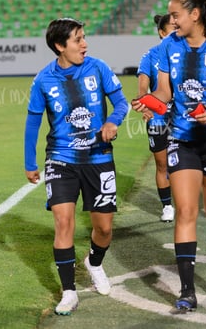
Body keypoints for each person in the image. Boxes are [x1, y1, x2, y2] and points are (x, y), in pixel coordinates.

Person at [132, 0, 206, 312]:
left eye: (176, 14)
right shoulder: (168, 46)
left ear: (194, 14)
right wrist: (149, 103)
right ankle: (186, 291)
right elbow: (165, 93)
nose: (172, 20)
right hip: (181, 139)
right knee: (185, 212)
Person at [24, 18, 128, 315]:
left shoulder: (98, 67)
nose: (85, 44)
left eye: (84, 38)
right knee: (63, 222)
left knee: (104, 228)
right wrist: (30, 162)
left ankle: (93, 263)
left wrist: (112, 121)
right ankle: (69, 291)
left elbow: (121, 103)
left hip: (98, 158)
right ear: (60, 46)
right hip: (61, 159)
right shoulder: (43, 80)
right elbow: (33, 121)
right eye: (78, 39)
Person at [137, 14, 175, 222]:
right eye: (172, 27)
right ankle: (167, 206)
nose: (177, 30)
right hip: (159, 118)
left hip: (184, 117)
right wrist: (145, 104)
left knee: (186, 162)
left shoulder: (186, 52)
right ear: (162, 32)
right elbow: (143, 86)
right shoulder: (150, 56)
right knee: (162, 165)